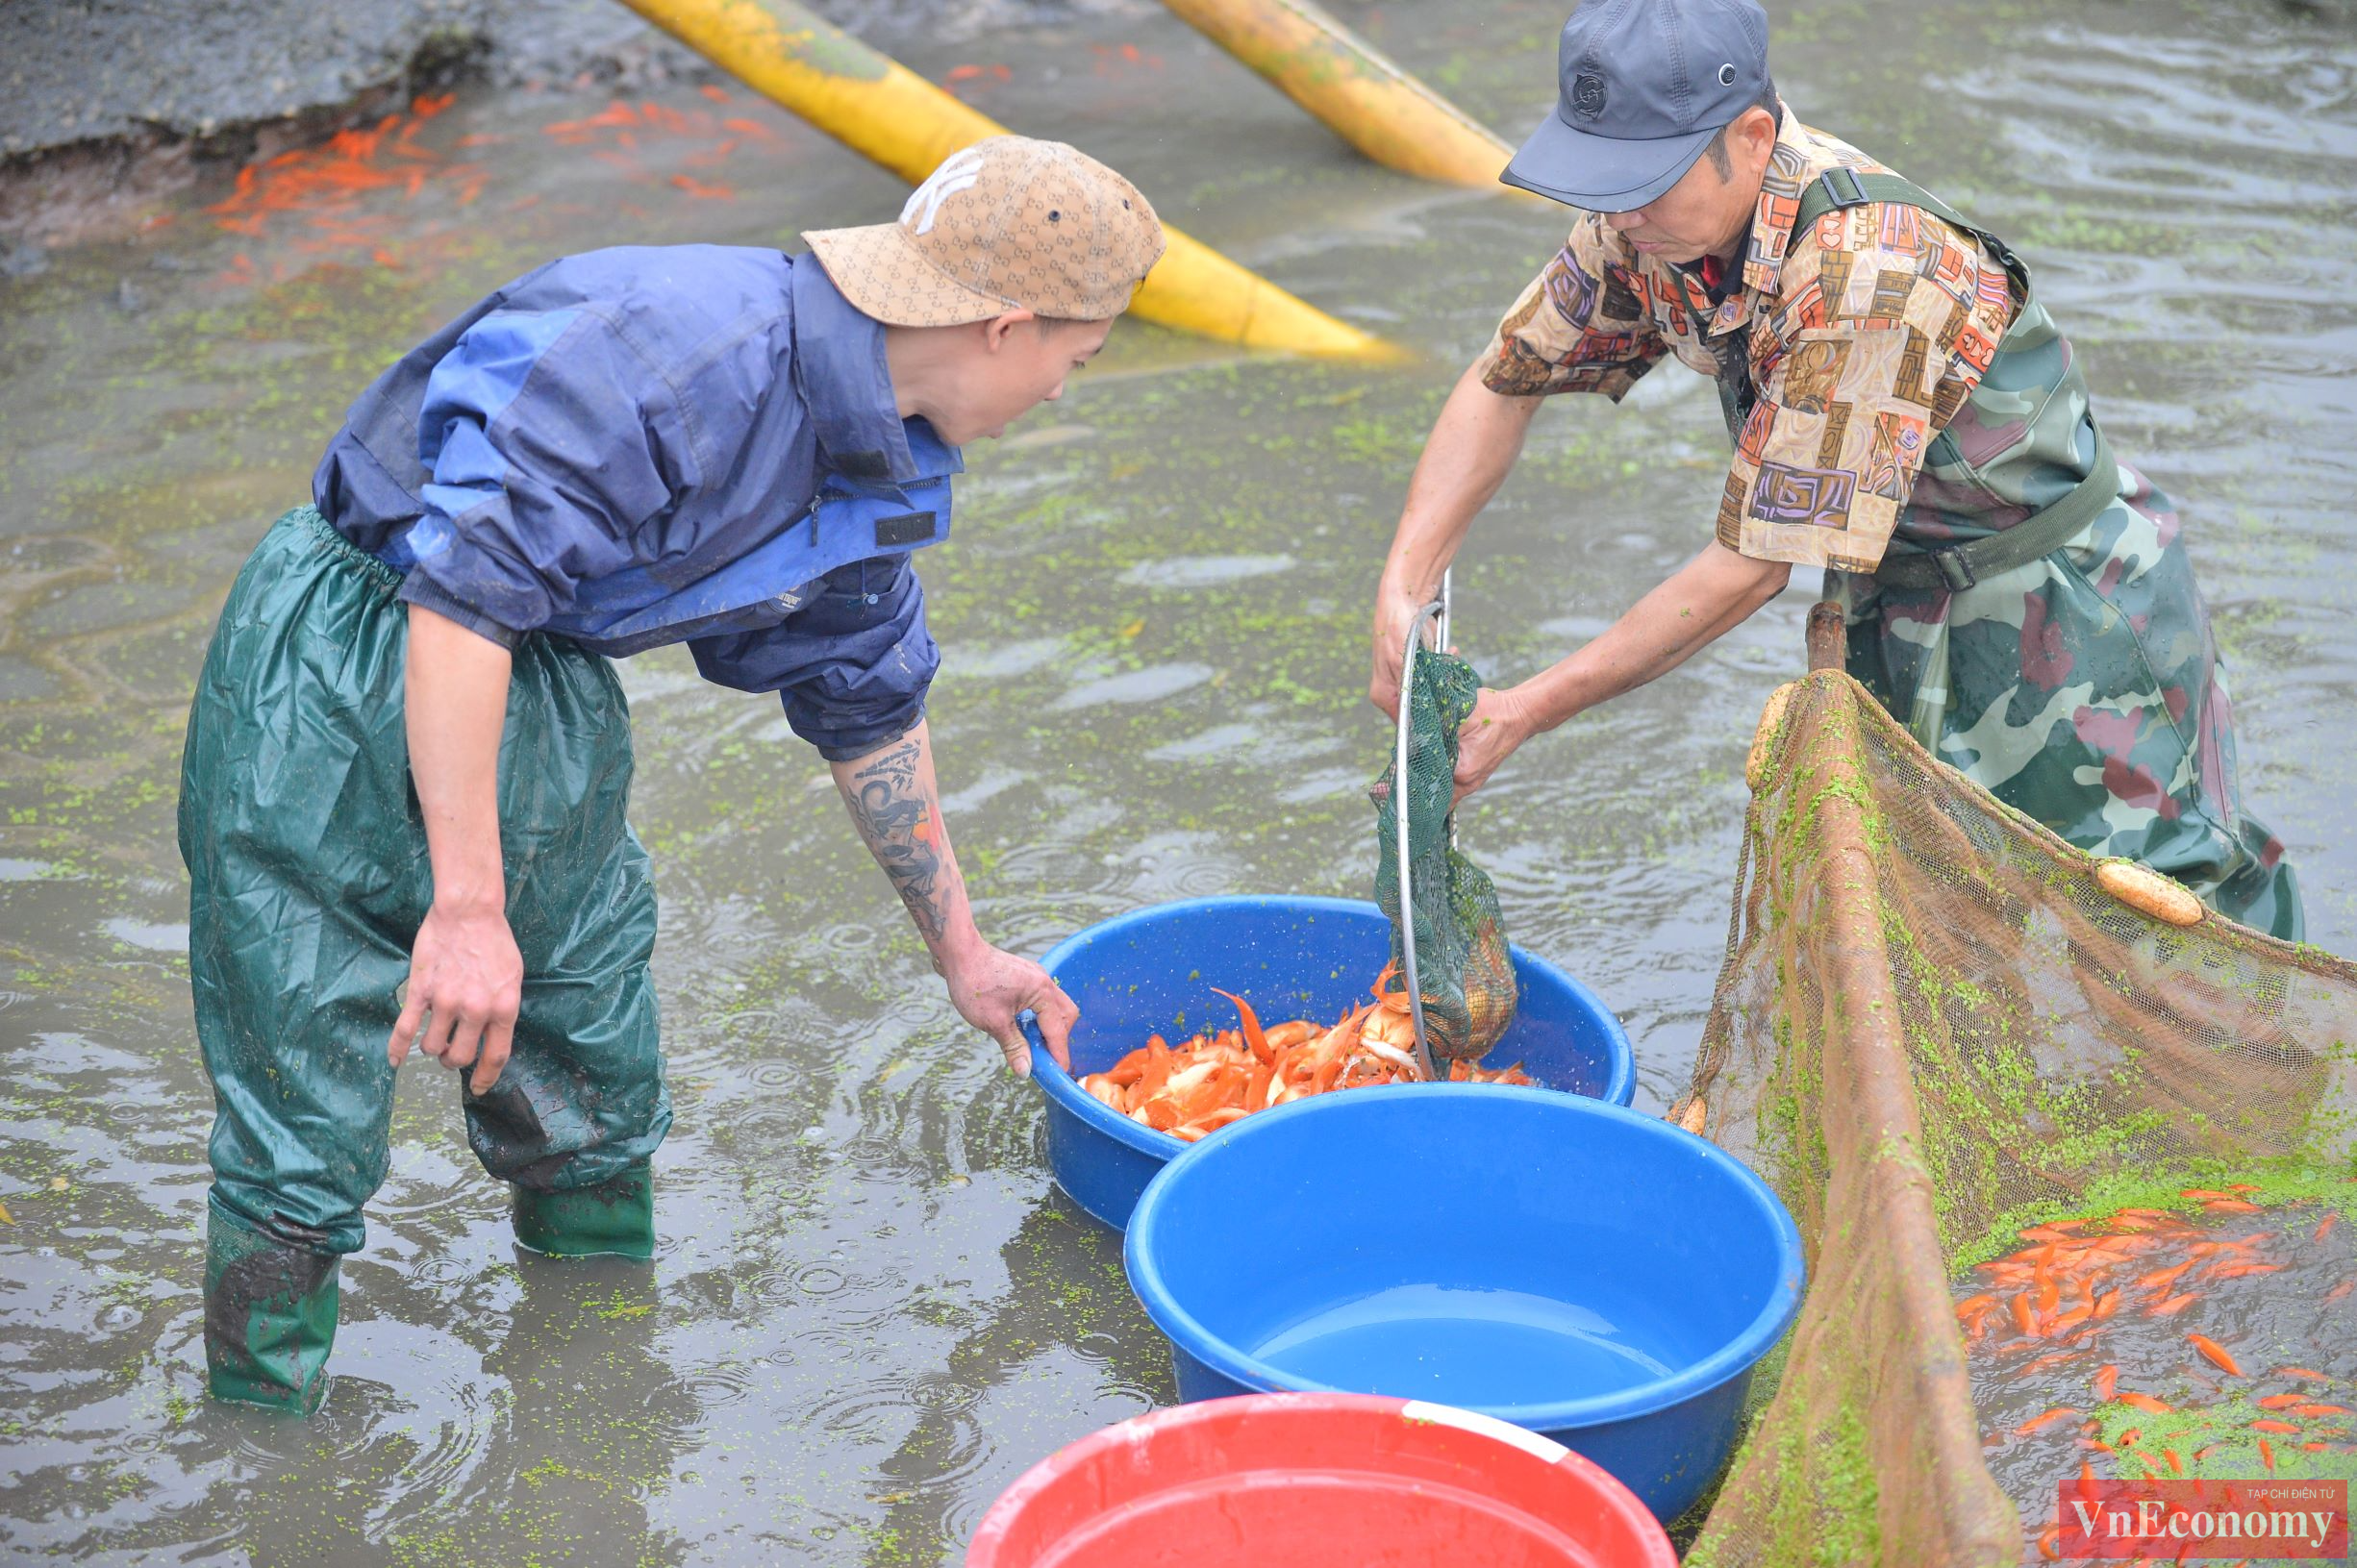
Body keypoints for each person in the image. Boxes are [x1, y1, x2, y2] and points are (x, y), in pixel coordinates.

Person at [179, 136, 1161, 1413]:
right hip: (347, 661)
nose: (1061, 396)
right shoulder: (672, 357)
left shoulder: (882, 459)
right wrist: (466, 907)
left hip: (543, 684)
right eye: (1072, 363)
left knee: (590, 1058)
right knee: (303, 1090)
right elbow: (461, 597)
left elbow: (864, 699)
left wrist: (962, 951)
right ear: (1006, 327)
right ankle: (264, 1447)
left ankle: (596, 1400)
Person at [1367, 0, 2299, 939]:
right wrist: (1404, 582)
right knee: (1944, 919)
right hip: (1894, 598)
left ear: (1753, 135)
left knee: (2155, 917)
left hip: (2062, 609)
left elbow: (1757, 562)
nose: (1617, 209)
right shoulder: (1644, 227)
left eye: (1641, 181)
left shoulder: (1864, 271)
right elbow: (1505, 379)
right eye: (1599, 181)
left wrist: (1524, 709)